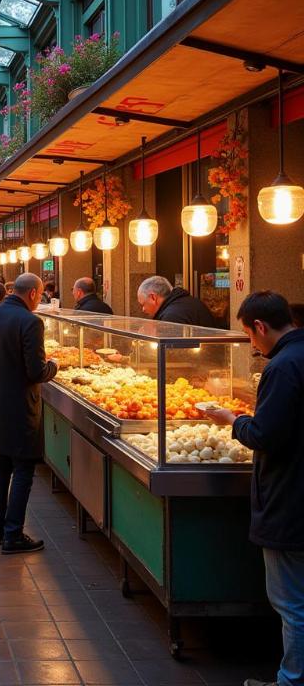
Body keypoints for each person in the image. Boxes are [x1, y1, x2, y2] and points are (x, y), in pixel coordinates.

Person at [204, 292, 304, 686]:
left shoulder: (282, 367)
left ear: (260, 327)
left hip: (289, 496)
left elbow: (266, 435)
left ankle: (291, 680)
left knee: (291, 601)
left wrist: (233, 419)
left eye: (248, 336)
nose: (251, 345)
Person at [0, 273, 58, 554]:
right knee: (23, 468)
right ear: (32, 294)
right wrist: (53, 366)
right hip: (20, 405)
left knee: (2, 464)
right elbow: (35, 371)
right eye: (39, 296)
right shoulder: (31, 322)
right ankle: (13, 534)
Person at [137, 275, 215, 326]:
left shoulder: (171, 317)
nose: (143, 309)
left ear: (153, 297)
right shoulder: (186, 301)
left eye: (143, 304)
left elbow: (172, 350)